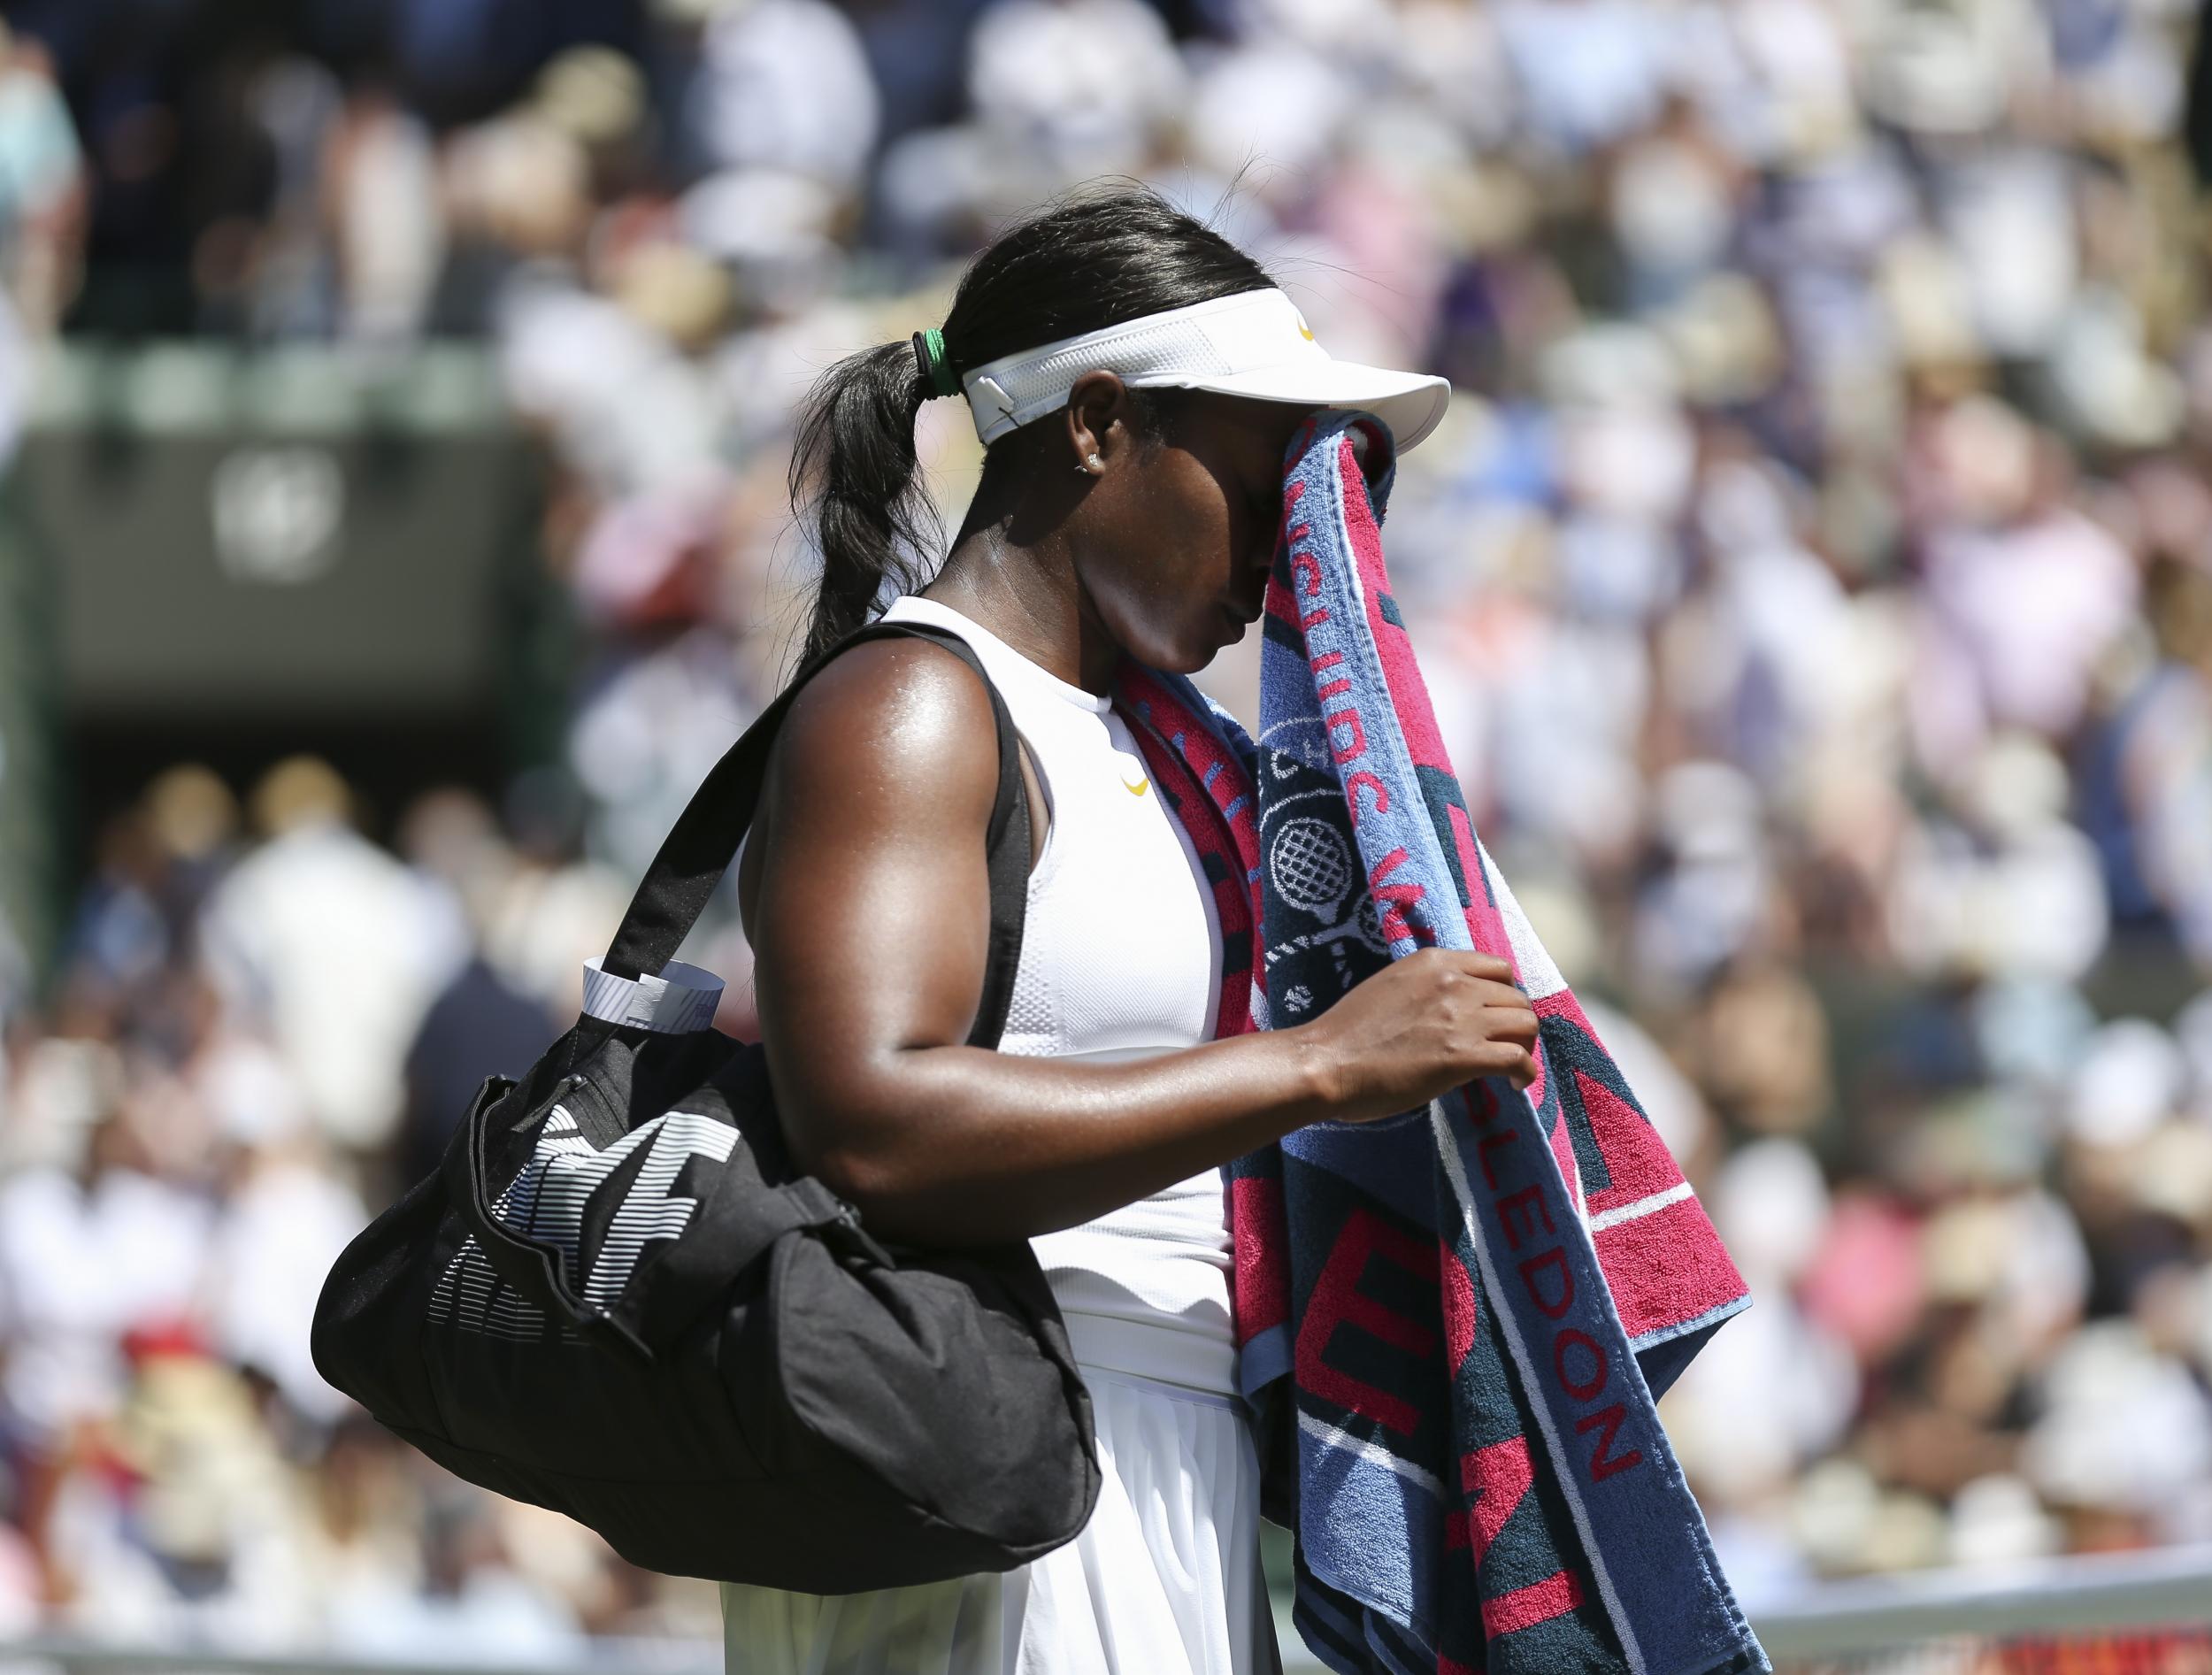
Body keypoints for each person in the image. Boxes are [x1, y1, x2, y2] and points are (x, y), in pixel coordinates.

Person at [720, 187, 1542, 1675]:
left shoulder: (1164, 749)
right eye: (1261, 479)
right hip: (982, 1468)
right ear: (1099, 424)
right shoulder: (913, 705)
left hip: (1146, 1454)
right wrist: (1322, 1064)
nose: (1289, 555)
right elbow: (869, 1120)